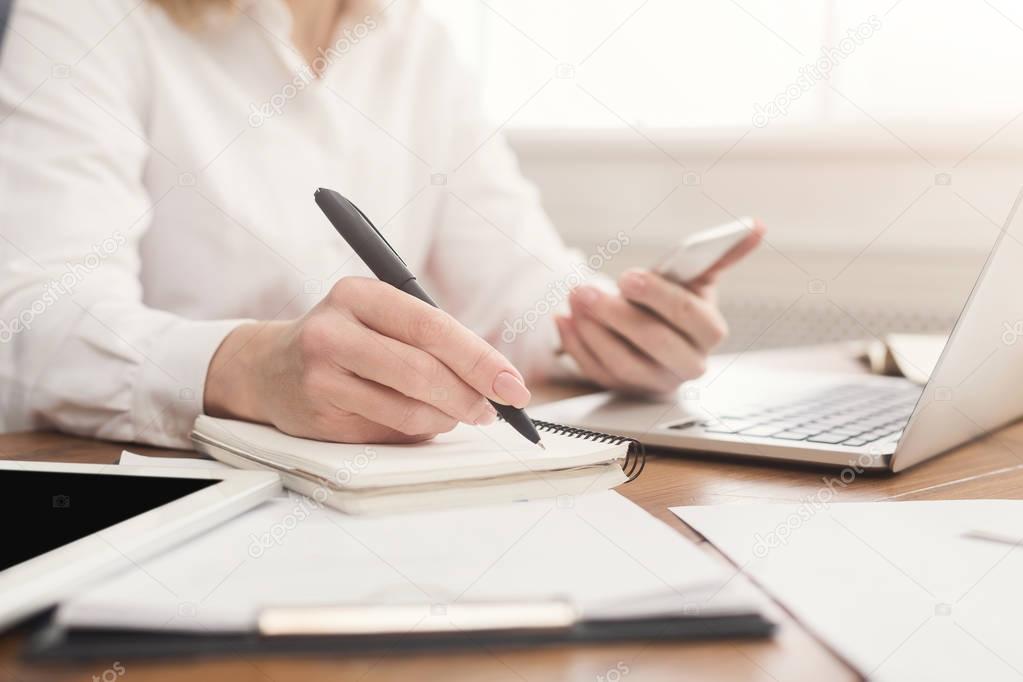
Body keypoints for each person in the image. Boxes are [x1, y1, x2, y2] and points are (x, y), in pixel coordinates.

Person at [0, 0, 763, 448]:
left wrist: (606, 331)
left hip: (395, 500)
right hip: (166, 505)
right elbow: (27, 316)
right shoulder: (86, 17)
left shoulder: (410, 34)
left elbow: (512, 278)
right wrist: (244, 367)